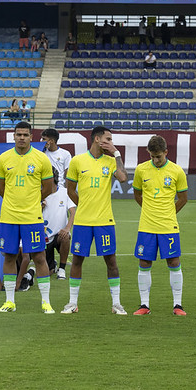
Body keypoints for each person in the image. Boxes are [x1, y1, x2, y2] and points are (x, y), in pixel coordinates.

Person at [63, 126, 129, 315]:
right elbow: (70, 190)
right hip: (83, 222)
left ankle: (116, 304)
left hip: (104, 221)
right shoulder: (77, 161)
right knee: (77, 260)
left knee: (111, 261)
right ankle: (72, 303)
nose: (111, 142)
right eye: (108, 139)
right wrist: (83, 205)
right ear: (97, 140)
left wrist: (116, 154)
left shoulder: (110, 161)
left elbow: (123, 178)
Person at [0, 121, 55, 313]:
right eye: (18, 134)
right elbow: (1, 188)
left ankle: (46, 302)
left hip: (32, 217)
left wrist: (32, 201)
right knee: (10, 256)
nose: (21, 138)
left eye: (25, 135)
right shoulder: (3, 159)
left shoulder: (41, 159)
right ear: (13, 136)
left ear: (31, 137)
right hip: (9, 217)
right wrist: (15, 202)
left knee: (39, 256)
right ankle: (9, 301)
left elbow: (48, 186)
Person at [131, 135, 188, 316]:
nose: (155, 160)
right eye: (152, 157)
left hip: (168, 226)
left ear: (166, 152)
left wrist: (168, 213)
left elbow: (183, 198)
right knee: (144, 262)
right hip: (146, 226)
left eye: (159, 157)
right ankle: (144, 305)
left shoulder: (177, 171)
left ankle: (178, 305)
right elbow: (137, 194)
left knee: (173, 262)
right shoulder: (141, 170)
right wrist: (150, 211)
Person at [42, 168, 75, 281]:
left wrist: (67, 228)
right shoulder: (38, 194)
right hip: (44, 237)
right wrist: (39, 207)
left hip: (59, 234)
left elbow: (73, 212)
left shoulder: (64, 192)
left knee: (65, 237)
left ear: (53, 178)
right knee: (47, 272)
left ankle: (62, 268)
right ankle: (52, 265)